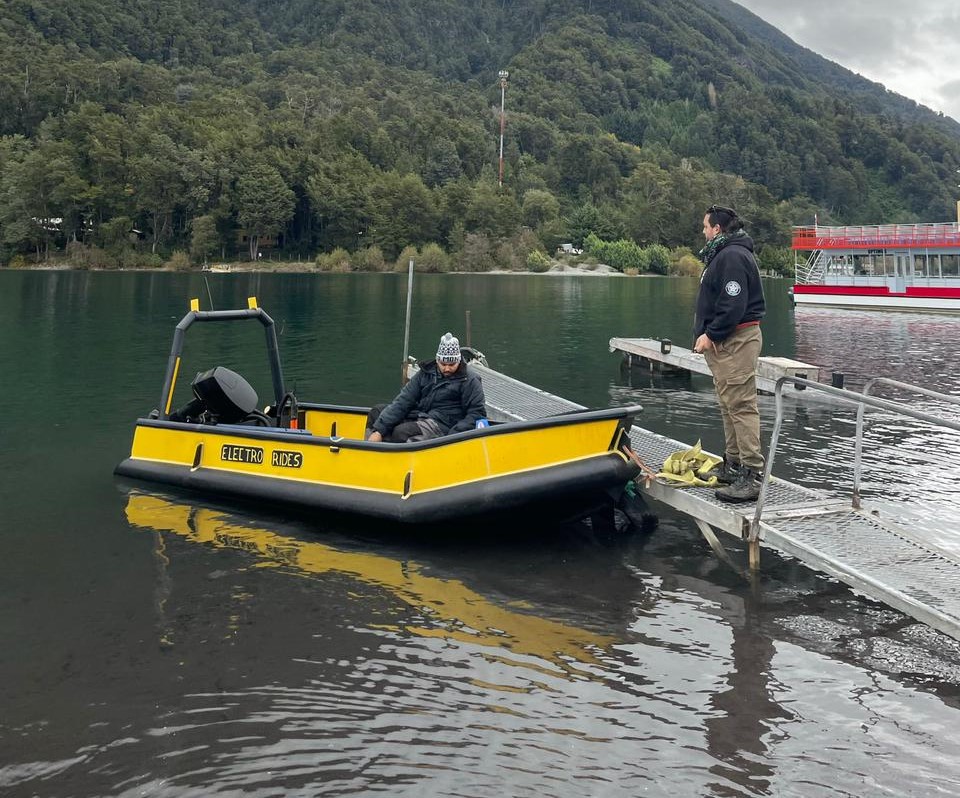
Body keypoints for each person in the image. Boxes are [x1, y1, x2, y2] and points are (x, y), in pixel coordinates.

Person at [692, 204, 766, 502]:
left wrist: (711, 335)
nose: (703, 231)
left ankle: (753, 475)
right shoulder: (723, 255)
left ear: (717, 229)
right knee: (728, 403)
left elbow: (733, 304)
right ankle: (733, 465)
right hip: (726, 342)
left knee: (742, 404)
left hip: (737, 340)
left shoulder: (733, 256)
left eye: (705, 226)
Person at [365, 332, 486, 443]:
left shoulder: (470, 380)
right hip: (421, 414)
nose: (447, 368)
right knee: (376, 412)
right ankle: (370, 448)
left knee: (401, 432)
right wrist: (379, 431)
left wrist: (452, 436)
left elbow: (476, 414)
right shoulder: (425, 373)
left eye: (451, 364)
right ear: (437, 360)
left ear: (458, 361)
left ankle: (394, 456)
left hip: (444, 424)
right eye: (443, 364)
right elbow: (403, 401)